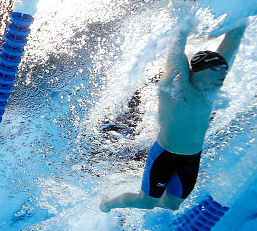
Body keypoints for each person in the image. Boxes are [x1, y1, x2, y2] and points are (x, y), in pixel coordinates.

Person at [100, 22, 247, 213]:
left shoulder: (210, 88)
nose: (223, 76)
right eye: (218, 71)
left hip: (192, 157)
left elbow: (232, 43)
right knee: (147, 204)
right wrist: (186, 16)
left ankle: (153, 195)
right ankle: (108, 203)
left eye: (223, 71)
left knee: (172, 205)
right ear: (202, 72)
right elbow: (176, 50)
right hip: (165, 154)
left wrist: (244, 18)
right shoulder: (179, 85)